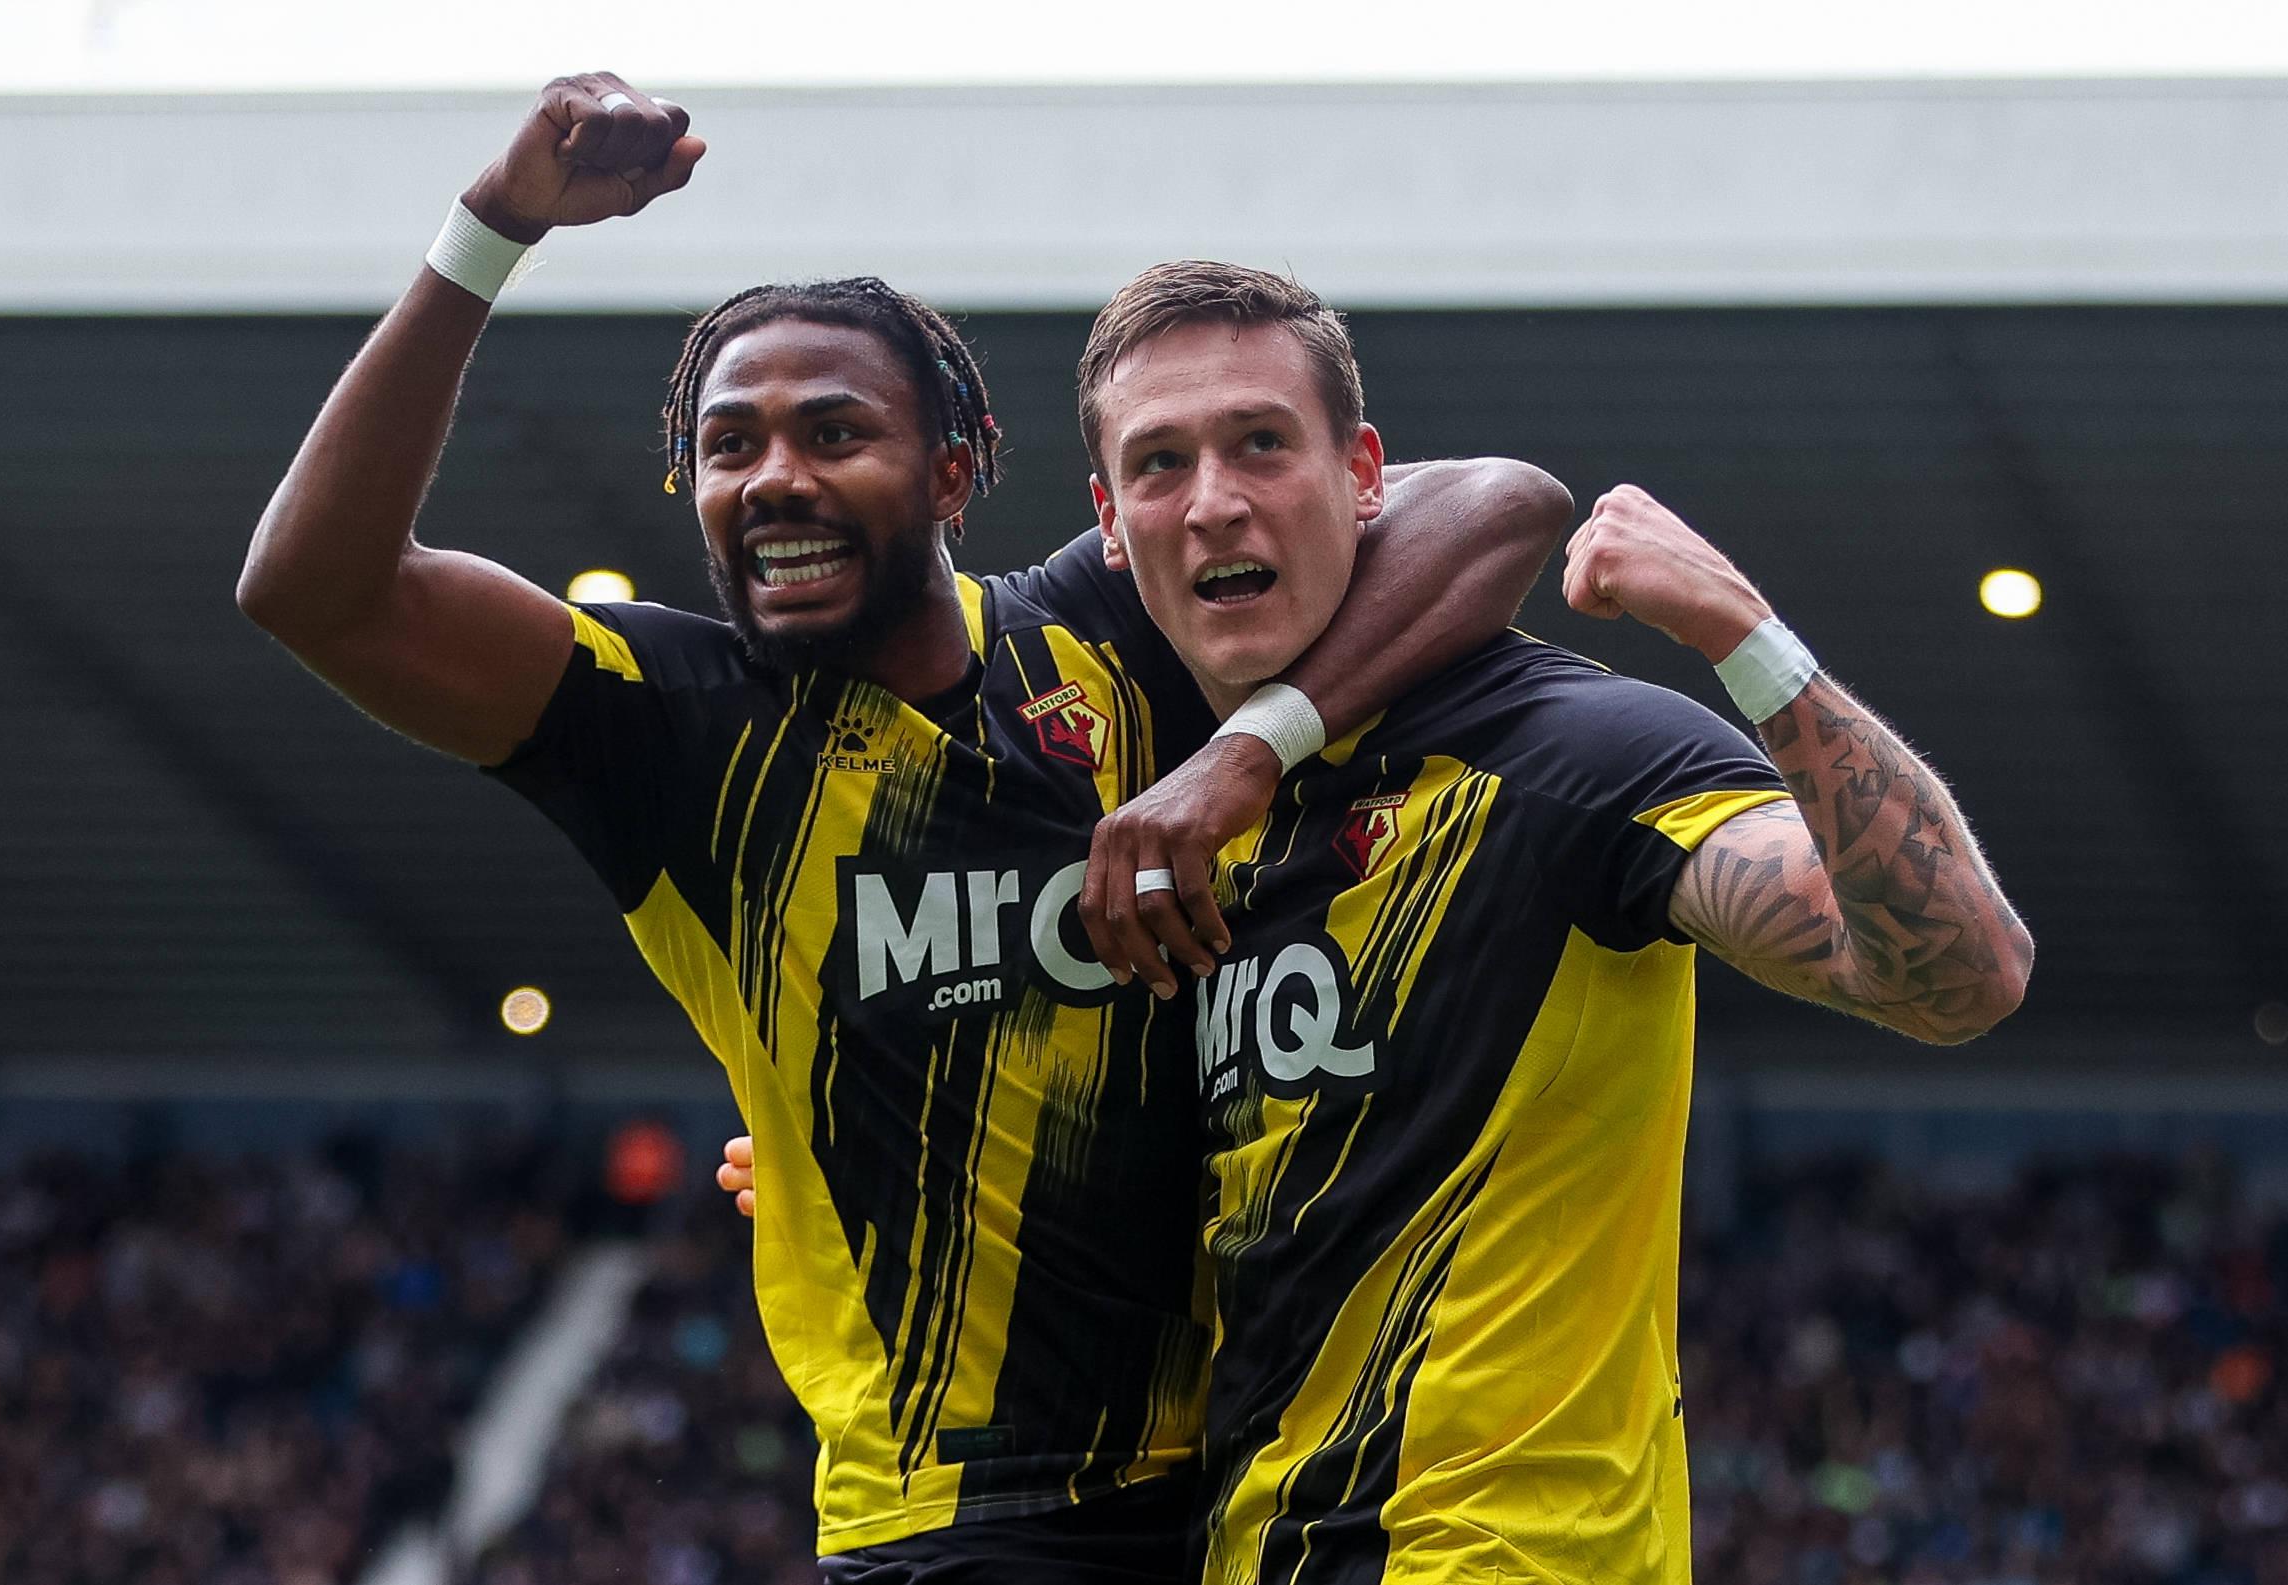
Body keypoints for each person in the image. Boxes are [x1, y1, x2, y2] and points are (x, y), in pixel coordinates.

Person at [236, 76, 1571, 1581]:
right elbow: (316, 591)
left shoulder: (1107, 632)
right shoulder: (670, 728)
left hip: (1242, 1498)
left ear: (948, 474)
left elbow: (1502, 502)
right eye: (729, 446)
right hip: (950, 1531)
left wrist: (1241, 755)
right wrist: (492, 231)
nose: (777, 475)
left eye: (833, 430)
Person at [726, 261, 2033, 1582]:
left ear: (1363, 471)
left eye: (1259, 444)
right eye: (1161, 463)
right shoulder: (1187, 829)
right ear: (1110, 524)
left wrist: (1748, 642)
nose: (1215, 500)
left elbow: (1960, 975)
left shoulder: (1567, 751)